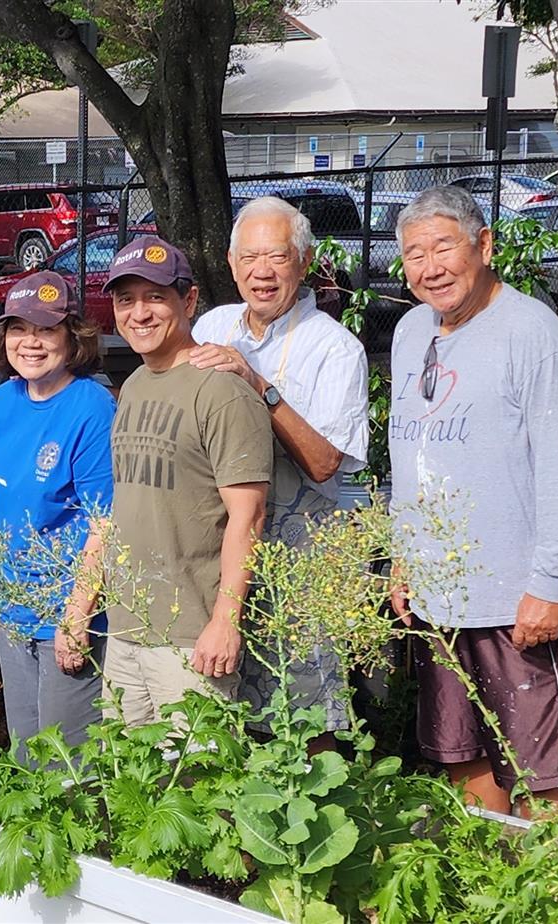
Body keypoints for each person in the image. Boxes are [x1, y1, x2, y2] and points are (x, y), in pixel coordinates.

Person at [386, 185, 558, 816]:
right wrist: (406, 557)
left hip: (522, 602)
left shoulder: (537, 337)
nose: (430, 268)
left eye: (444, 247)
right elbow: (414, 458)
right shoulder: (409, 332)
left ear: (483, 245)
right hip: (442, 597)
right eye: (414, 254)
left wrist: (548, 583)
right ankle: (493, 888)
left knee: (548, 773)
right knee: (463, 755)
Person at [70, 235, 273, 726]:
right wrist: (83, 605)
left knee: (200, 793)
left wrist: (226, 621)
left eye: (155, 297)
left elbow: (250, 515)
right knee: (134, 793)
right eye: (125, 300)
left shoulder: (222, 391)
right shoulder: (135, 385)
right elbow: (117, 511)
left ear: (189, 300)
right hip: (126, 630)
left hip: (190, 639)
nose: (139, 313)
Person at [189, 197, 370, 733]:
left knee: (304, 716)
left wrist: (257, 384)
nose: (261, 273)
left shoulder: (334, 348)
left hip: (300, 559)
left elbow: (324, 463)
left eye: (276, 257)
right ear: (230, 263)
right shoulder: (213, 325)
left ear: (305, 261)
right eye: (249, 258)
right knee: (221, 703)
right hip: (220, 550)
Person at [0, 271, 115, 748]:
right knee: (26, 750)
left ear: (72, 336)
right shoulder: (1, 401)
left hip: (67, 615)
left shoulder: (92, 406)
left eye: (45, 330)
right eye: (18, 329)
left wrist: (78, 617)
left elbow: (106, 524)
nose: (30, 343)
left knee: (66, 765)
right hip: (14, 607)